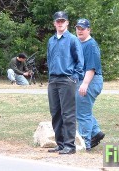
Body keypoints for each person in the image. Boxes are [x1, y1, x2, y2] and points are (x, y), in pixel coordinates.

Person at [47, 11, 84, 155]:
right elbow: (50, 59)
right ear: (54, 23)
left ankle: (70, 145)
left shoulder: (73, 39)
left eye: (63, 21)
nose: (60, 23)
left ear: (67, 23)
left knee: (68, 113)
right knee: (55, 112)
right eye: (58, 21)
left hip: (67, 79)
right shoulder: (51, 40)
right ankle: (60, 144)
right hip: (53, 80)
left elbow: (80, 62)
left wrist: (74, 77)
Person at [75, 18, 105, 151]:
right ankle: (96, 132)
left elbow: (91, 68)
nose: (80, 31)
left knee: (83, 114)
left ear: (89, 30)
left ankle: (84, 143)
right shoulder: (79, 43)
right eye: (78, 28)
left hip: (91, 80)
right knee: (81, 111)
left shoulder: (91, 45)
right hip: (85, 80)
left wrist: (85, 84)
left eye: (83, 28)